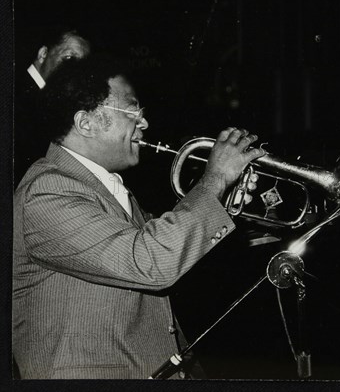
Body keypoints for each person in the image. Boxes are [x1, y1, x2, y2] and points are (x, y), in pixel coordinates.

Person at [12, 55, 266, 379]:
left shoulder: (104, 188)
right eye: (133, 111)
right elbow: (151, 262)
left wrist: (222, 202)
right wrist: (214, 180)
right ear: (86, 122)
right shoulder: (46, 191)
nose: (144, 123)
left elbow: (163, 254)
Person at [14, 26, 92, 184]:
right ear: (43, 54)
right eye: (69, 58)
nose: (74, 71)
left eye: (81, 66)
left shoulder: (48, 100)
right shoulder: (15, 94)